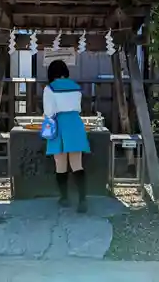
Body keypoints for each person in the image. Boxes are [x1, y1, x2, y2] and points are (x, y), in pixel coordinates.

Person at [43, 59, 91, 213]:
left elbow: (49, 112)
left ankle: (64, 198)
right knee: (77, 163)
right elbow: (78, 107)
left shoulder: (49, 88)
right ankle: (82, 200)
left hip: (59, 124)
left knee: (60, 163)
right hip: (76, 124)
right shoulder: (76, 87)